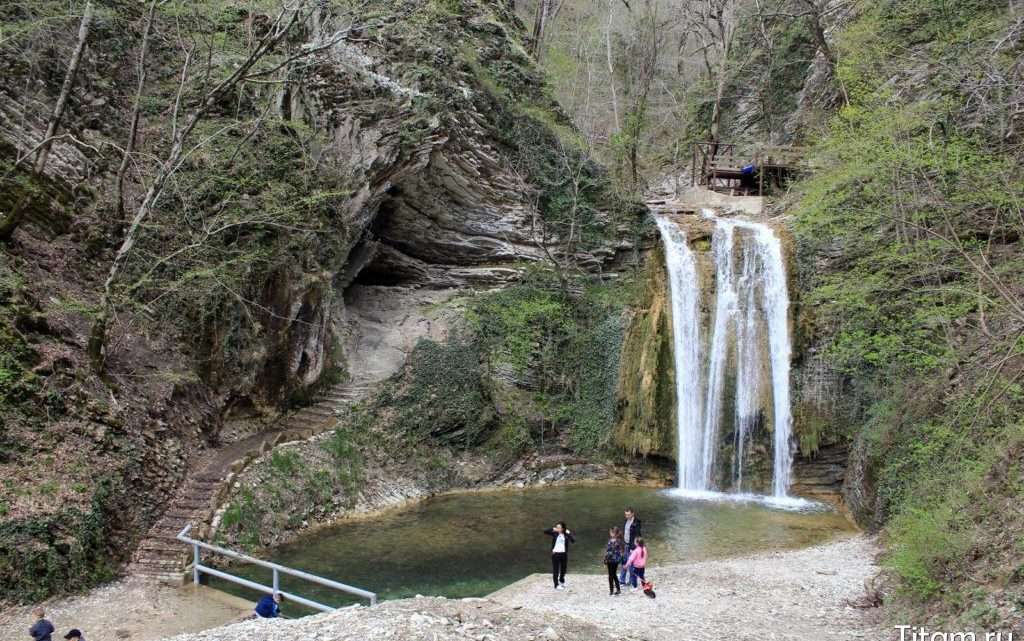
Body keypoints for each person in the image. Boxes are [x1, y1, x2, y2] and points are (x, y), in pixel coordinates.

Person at [543, 521, 575, 590]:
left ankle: (561, 580)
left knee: (563, 569)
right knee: (556, 570)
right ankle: (556, 585)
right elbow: (545, 531)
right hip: (556, 554)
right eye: (557, 527)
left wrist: (569, 533)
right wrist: (553, 529)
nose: (558, 528)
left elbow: (573, 540)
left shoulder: (566, 534)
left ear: (563, 528)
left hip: (564, 554)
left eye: (559, 527)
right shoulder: (554, 533)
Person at [619, 508, 642, 585]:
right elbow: (624, 533)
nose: (627, 516)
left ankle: (632, 582)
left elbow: (638, 536)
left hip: (632, 546)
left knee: (631, 565)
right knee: (624, 562)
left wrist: (634, 548)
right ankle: (622, 581)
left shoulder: (636, 523)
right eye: (626, 514)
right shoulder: (626, 521)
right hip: (625, 544)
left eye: (628, 515)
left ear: (633, 513)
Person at [603, 526, 625, 596]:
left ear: (613, 533)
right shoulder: (619, 541)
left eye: (610, 532)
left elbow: (608, 553)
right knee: (614, 574)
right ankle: (618, 589)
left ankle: (611, 591)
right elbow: (621, 553)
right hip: (616, 561)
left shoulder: (610, 542)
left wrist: (605, 561)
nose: (609, 533)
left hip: (610, 561)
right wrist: (621, 561)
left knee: (610, 576)